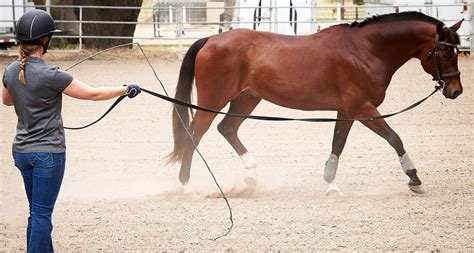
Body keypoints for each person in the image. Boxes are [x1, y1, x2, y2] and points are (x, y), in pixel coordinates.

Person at [1, 10, 141, 252]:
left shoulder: (11, 70)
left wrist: (35, 90)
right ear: (46, 40)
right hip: (48, 154)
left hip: (22, 152)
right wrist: (124, 88)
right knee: (42, 216)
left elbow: (7, 100)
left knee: (36, 214)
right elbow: (93, 94)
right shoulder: (52, 74)